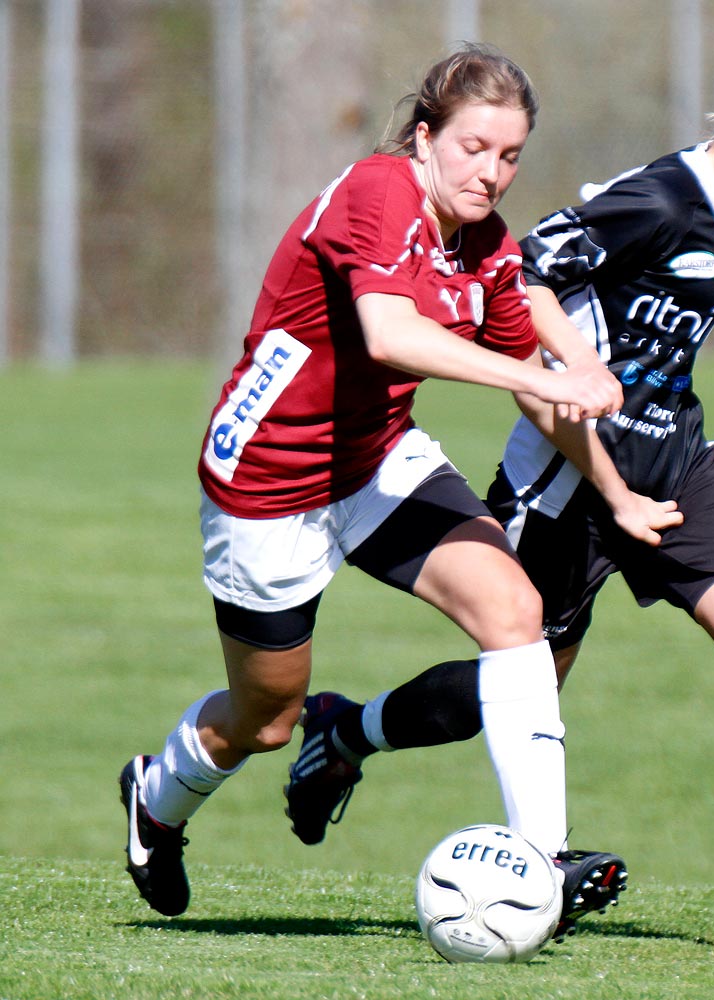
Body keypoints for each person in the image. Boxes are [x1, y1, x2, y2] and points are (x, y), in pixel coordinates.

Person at [284, 40, 714, 953]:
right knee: (520, 684)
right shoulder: (661, 198)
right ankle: (348, 734)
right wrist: (577, 385)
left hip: (677, 462)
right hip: (567, 478)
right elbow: (524, 268)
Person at [117, 43, 630, 925]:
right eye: (475, 148)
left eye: (510, 156)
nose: (493, 172)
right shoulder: (378, 191)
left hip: (377, 458)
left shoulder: (485, 243)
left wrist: (615, 492)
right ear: (426, 138)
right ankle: (156, 798)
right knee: (267, 716)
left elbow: (524, 376)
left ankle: (540, 864)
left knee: (515, 612)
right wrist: (553, 374)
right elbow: (390, 333)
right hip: (269, 480)